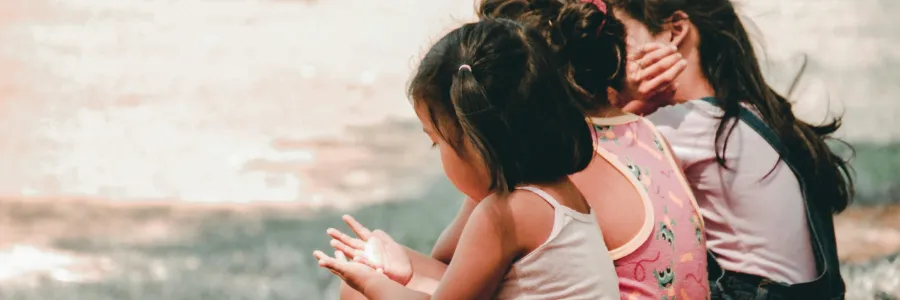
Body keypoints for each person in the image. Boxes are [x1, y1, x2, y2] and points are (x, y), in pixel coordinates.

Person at [330, 0, 709, 298]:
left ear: (485, 130)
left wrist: (374, 284)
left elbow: (447, 259)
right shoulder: (628, 137)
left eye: (437, 143)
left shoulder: (514, 206)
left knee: (359, 288)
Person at [314, 18, 621, 299]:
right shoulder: (559, 194)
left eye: (438, 143)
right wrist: (404, 264)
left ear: (478, 143)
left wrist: (370, 283)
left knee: (357, 295)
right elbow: (455, 276)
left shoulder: (505, 214)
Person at [606, 0, 854, 298]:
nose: (614, 59)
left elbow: (582, 158)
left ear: (675, 31)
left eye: (620, 39)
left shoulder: (685, 125)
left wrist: (623, 101)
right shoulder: (753, 116)